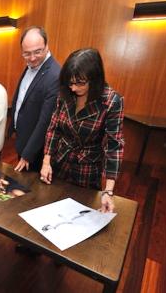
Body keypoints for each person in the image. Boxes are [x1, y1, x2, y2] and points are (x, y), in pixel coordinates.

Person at [40, 48, 124, 213]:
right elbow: (54, 128)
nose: (73, 88)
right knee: (51, 209)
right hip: (60, 161)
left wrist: (108, 190)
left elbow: (114, 147)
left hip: (87, 167)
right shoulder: (65, 93)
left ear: (95, 78)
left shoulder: (111, 101)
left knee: (79, 214)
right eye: (70, 82)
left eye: (80, 83)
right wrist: (46, 161)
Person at [9, 26, 61, 172]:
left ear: (47, 46)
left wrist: (27, 154)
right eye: (26, 54)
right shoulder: (32, 64)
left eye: (37, 52)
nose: (32, 58)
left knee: (34, 190)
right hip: (23, 140)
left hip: (36, 150)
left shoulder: (54, 75)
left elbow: (46, 121)